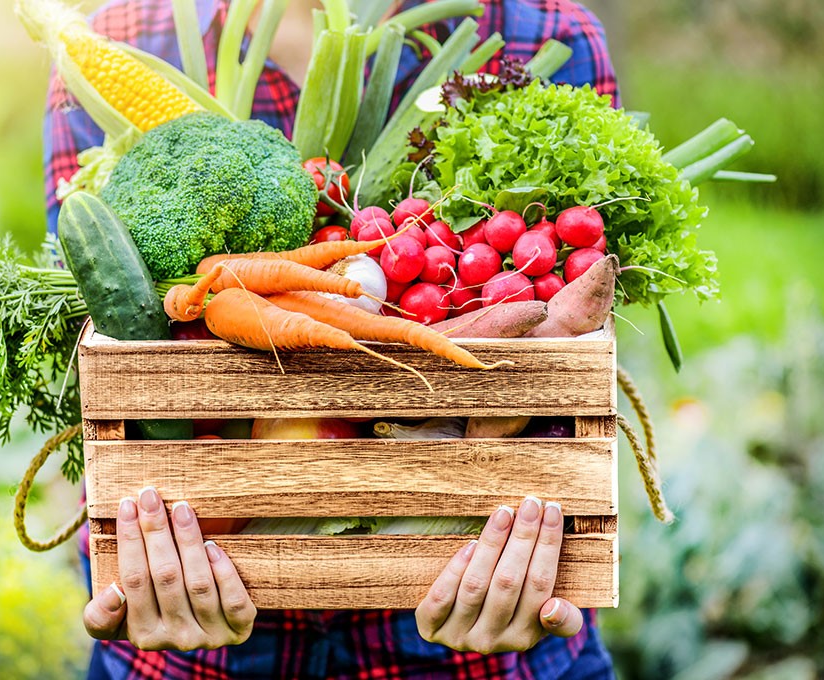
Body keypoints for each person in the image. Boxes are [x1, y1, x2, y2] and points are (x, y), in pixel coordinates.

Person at [43, 1, 620, 677]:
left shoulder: (546, 35)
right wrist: (138, 548)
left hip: (480, 640)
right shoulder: (112, 42)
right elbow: (102, 337)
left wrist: (535, 538)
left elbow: (579, 356)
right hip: (195, 649)